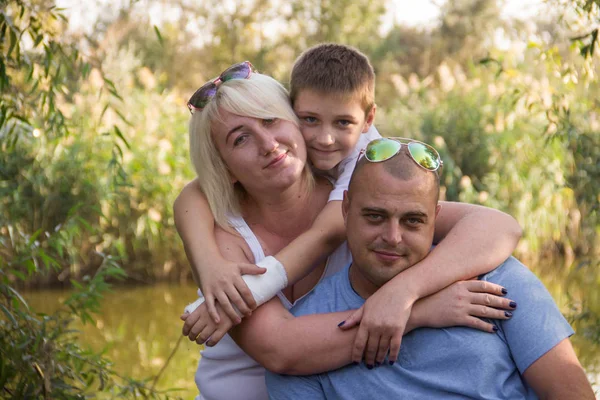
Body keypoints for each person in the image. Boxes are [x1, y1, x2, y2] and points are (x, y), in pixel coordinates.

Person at [176, 46, 521, 400]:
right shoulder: (222, 233)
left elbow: (498, 227)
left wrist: (403, 293)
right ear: (225, 168)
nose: (268, 144)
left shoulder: (356, 199)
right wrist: (418, 313)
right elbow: (281, 349)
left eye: (270, 121)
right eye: (241, 138)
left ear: (294, 120)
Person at [265, 139, 595, 400]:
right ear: (347, 209)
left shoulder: (495, 278)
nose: (392, 238)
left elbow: (570, 392)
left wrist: (403, 293)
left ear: (435, 219)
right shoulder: (304, 341)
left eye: (412, 221)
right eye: (375, 216)